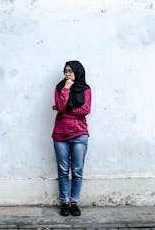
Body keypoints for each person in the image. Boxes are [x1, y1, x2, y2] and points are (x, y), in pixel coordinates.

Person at [51, 60, 91, 216]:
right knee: (62, 170)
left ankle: (74, 202)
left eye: (70, 71)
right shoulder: (60, 87)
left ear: (77, 72)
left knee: (77, 170)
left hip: (79, 134)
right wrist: (66, 89)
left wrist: (64, 110)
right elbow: (60, 107)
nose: (67, 74)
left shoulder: (86, 89)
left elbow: (85, 110)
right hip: (60, 134)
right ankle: (65, 202)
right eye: (65, 71)